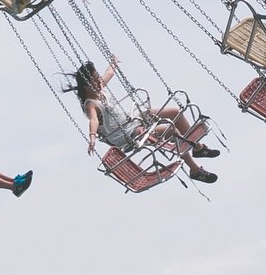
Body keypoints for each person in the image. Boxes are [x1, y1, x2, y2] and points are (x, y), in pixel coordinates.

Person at [71, 58, 220, 184]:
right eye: (95, 80)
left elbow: (109, 73)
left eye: (98, 78)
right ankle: (194, 170)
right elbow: (94, 120)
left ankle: (198, 148)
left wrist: (113, 62)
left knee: (175, 113)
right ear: (86, 85)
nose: (99, 82)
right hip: (126, 134)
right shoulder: (91, 104)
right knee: (172, 130)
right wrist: (92, 137)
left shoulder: (99, 88)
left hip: (131, 120)